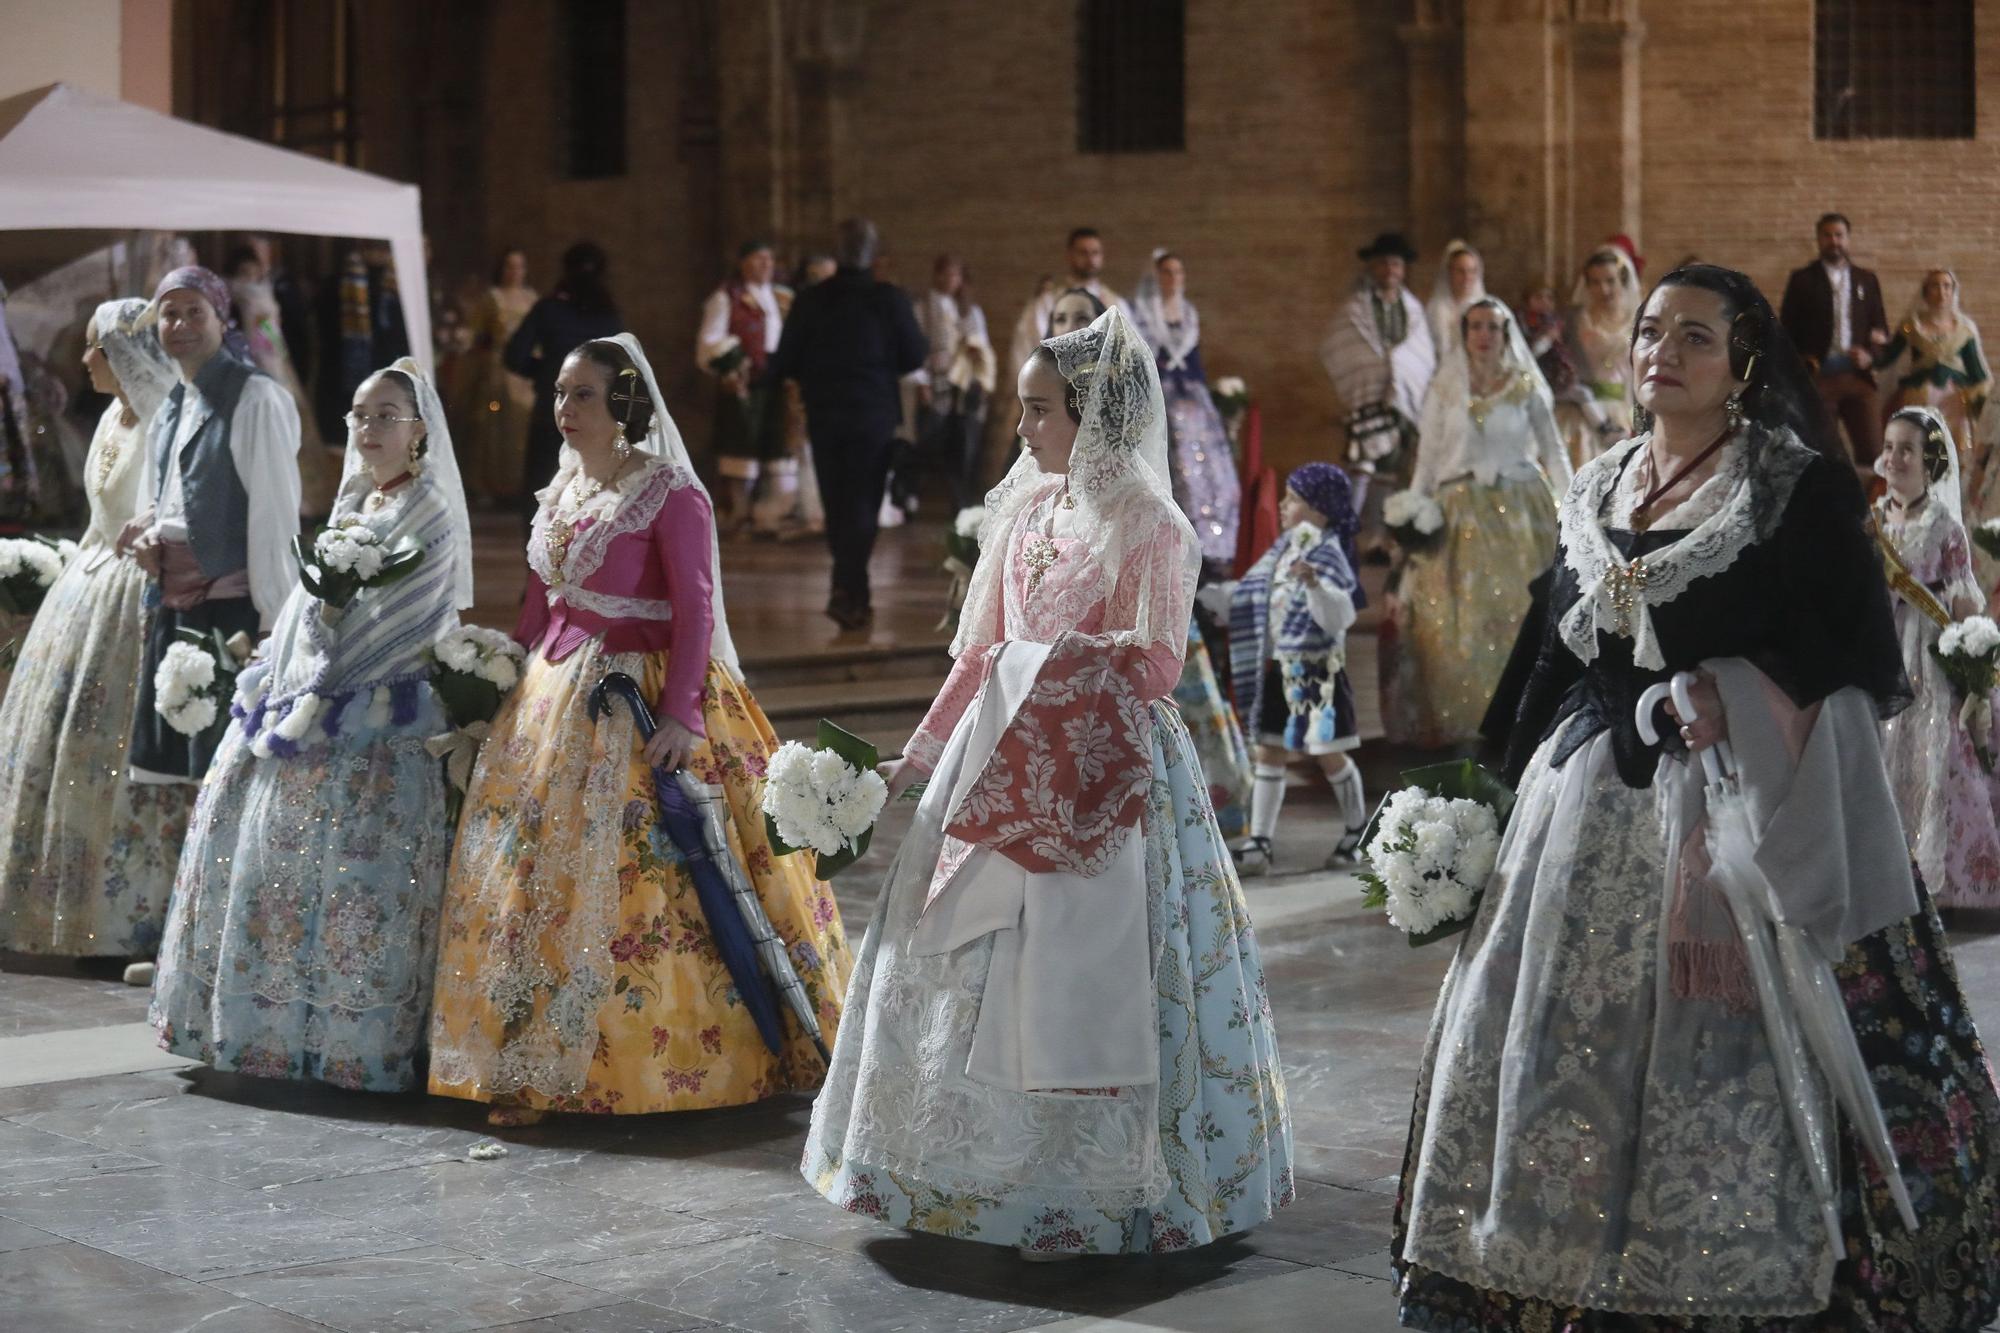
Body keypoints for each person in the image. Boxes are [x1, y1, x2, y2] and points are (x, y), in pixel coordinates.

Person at [1394, 264, 2000, 1331]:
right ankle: (1539, 1257)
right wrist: (1483, 794)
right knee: (1542, 1027)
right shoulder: (1598, 481)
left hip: (1736, 809)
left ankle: (1743, 1259)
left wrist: (1721, 688)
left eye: (1692, 337)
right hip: (1580, 803)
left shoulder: (1788, 485)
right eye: (1645, 332)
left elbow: (1847, 649)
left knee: (1724, 1050)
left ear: (1743, 363)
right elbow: (1553, 652)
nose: (1658, 353)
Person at [804, 306, 1291, 1256]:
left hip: (1093, 770)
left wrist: (1048, 669)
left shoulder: (1151, 525)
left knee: (1078, 965)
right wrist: (918, 751)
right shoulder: (1024, 510)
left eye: (1040, 411)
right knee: (948, 959)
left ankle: (1090, 1187)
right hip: (997, 752)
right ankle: (956, 1166)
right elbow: (978, 652)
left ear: (1096, 414)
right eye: (1022, 410)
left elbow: (1154, 665)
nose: (1022, 430)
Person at [429, 334, 851, 1125]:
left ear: (623, 403)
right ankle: (526, 1058)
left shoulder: (669, 492)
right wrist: (500, 678)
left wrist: (686, 713)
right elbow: (540, 604)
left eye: (582, 394)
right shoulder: (559, 493)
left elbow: (697, 608)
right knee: (531, 879)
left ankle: (655, 1059)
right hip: (552, 700)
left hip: (642, 692)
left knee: (649, 882)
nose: (564, 409)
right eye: (559, 393)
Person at [149, 359, 470, 1091]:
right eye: (359, 415)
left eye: (385, 415)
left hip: (379, 722)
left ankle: (353, 1042)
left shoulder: (428, 509)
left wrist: (328, 671)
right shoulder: (354, 500)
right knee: (277, 874)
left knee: (358, 884)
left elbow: (410, 613)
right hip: (310, 706)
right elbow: (315, 605)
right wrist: (289, 664)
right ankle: (267, 1030)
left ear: (419, 429)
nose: (368, 428)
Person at [0, 300, 191, 964]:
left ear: (126, 355)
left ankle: (121, 921)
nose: (84, 361)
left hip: (134, 592)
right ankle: (58, 905)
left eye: (96, 349)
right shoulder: (112, 414)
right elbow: (100, 512)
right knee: (65, 748)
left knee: (115, 754)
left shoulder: (169, 416)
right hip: (89, 581)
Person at [126, 266, 302, 788]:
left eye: (194, 312)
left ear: (222, 320)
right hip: (176, 603)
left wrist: (274, 619)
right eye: (169, 314)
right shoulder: (172, 404)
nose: (179, 324)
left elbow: (274, 513)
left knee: (228, 767)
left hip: (233, 608)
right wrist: (148, 534)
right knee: (181, 765)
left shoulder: (253, 398)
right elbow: (170, 501)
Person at [1384, 298, 1569, 748]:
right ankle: (1466, 723)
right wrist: (1414, 513)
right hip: (1458, 514)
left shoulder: (1526, 387)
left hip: (1521, 516)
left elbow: (1553, 449)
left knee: (1519, 617)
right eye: (1476, 327)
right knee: (1456, 621)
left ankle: (1519, 718)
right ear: (1464, 334)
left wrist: (1577, 508)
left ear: (1506, 335)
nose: (1485, 335)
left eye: (1494, 327)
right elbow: (1427, 459)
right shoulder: (1446, 389)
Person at [769, 219, 927, 631]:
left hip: (825, 413)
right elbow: (914, 355)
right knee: (862, 504)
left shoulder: (810, 300)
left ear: (838, 254)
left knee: (838, 504)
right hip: (872, 415)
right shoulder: (887, 299)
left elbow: (785, 360)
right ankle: (851, 590)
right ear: (873, 255)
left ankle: (848, 589)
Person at [1872, 406, 2000, 909]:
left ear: (1930, 463)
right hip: (1881, 647)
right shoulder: (1875, 517)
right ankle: (1887, 870)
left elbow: (1964, 598)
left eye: (1907, 449)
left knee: (1935, 756)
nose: (1894, 457)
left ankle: (1944, 881)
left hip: (1926, 652)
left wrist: (1973, 665)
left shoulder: (1943, 524)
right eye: (1888, 447)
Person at [1228, 462, 1369, 875]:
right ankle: (1261, 841)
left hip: (1317, 674)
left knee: (1328, 754)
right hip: (1280, 667)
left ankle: (1356, 831)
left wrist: (1314, 584)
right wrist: (1222, 598)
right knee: (1269, 749)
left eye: (1294, 500)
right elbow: (1256, 591)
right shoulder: (1284, 549)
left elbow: (1340, 615)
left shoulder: (1328, 555)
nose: (1284, 506)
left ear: (1320, 511)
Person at [1131, 248, 1242, 570]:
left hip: (1191, 398)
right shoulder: (1143, 314)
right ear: (1156, 276)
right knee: (1174, 462)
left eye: (1178, 273)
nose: (1173, 279)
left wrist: (1200, 391)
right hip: (1159, 395)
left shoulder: (1188, 313)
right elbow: (1142, 359)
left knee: (1208, 466)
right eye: (1167, 273)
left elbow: (1195, 360)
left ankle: (1211, 541)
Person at [1319, 231, 1436, 505]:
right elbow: (1338, 346)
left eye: (1395, 264)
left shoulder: (1415, 311)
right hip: (1367, 401)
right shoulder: (1355, 309)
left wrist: (1400, 368)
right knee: (1364, 465)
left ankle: (1388, 538)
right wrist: (1376, 366)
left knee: (1397, 469)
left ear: (1403, 270)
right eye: (1383, 263)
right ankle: (1353, 532)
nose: (1389, 270)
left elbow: (1422, 355)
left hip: (1404, 404)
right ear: (1372, 266)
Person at [505, 240, 622, 505]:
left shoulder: (548, 310)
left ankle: (538, 547)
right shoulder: (609, 317)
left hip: (553, 410)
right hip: (597, 415)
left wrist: (545, 373)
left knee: (542, 489)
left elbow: (514, 355)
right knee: (592, 493)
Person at [227, 246, 337, 516]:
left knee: (294, 420)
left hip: (276, 358)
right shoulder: (239, 291)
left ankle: (305, 495)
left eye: (253, 268)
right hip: (256, 360)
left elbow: (271, 329)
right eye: (244, 270)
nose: (250, 274)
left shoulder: (263, 287)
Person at [1779, 211, 1890, 467]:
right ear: (1819, 239)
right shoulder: (1802, 280)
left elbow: (1882, 330)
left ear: (1848, 239)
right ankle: (1827, 505)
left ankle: (1869, 507)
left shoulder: (1867, 280)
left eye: (1839, 235)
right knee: (1820, 455)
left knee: (1875, 455)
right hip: (1818, 378)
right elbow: (1785, 333)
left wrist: (1870, 355)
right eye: (1827, 235)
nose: (1834, 241)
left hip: (1858, 379)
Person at [697, 240, 794, 535]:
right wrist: (728, 364)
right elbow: (710, 342)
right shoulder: (727, 297)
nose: (766, 264)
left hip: (777, 382)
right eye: (759, 258)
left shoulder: (782, 297)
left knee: (777, 448)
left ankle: (769, 515)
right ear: (743, 263)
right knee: (741, 449)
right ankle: (737, 515)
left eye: (770, 259)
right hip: (745, 385)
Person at [1877, 267, 1990, 495]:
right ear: (1926, 292)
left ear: (1953, 291)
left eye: (1946, 286)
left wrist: (1974, 400)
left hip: (1954, 402)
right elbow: (1886, 358)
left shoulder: (1963, 332)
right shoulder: (1911, 326)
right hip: (1917, 396)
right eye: (1935, 286)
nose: (1941, 292)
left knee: (1957, 450)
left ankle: (1954, 498)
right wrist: (1873, 350)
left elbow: (1979, 375)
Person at [909, 253, 996, 513]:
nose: (951, 280)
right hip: (937, 384)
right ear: (936, 275)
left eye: (956, 275)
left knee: (964, 443)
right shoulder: (923, 308)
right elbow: (915, 347)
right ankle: (912, 493)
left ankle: (960, 501)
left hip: (965, 385)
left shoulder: (970, 310)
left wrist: (979, 378)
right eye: (946, 274)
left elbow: (982, 347)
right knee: (930, 439)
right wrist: (921, 382)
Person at [463, 247, 539, 508]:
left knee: (522, 424)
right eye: (509, 266)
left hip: (525, 372)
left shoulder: (531, 298)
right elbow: (476, 333)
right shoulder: (492, 298)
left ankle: (521, 485)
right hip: (498, 369)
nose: (514, 272)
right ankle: (488, 485)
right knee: (496, 424)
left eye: (519, 266)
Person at [1006, 228, 1126, 387]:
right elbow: (1026, 347)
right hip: (1055, 389)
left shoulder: (1116, 304)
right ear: (1069, 256)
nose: (1090, 259)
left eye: (1095, 253)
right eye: (1083, 253)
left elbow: (1128, 351)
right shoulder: (1047, 303)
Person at [1556, 244, 1641, 466]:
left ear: (1622, 280)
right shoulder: (1575, 320)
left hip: (1623, 409)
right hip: (1580, 411)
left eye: (1610, 281)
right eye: (1595, 282)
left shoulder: (1638, 321)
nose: (1603, 289)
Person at [1425, 239, 1487, 357]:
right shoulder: (1435, 308)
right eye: (1460, 271)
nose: (1467, 277)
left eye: (1472, 271)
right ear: (1449, 272)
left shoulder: (1485, 309)